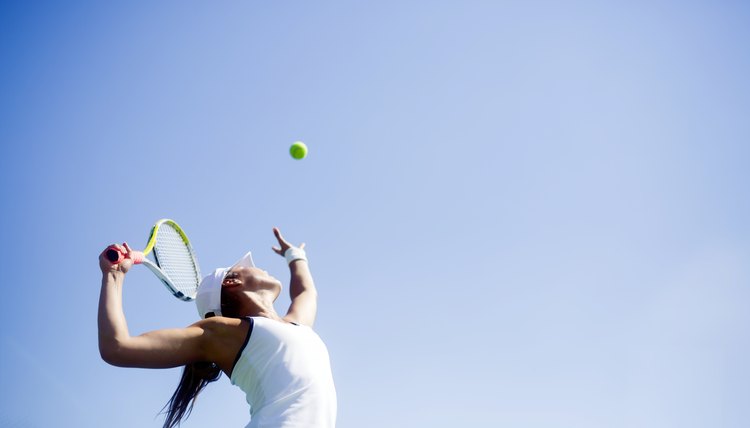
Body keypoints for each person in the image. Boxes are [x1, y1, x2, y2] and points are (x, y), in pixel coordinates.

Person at [98, 227, 337, 428]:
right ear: (232, 281)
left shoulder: (297, 326)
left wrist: (295, 255)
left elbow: (306, 292)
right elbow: (117, 347)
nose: (260, 267)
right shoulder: (224, 333)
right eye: (248, 266)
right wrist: (114, 275)